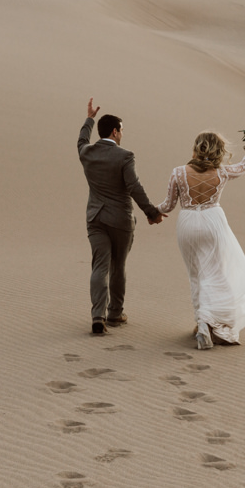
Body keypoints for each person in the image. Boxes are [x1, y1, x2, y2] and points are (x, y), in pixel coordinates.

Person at [155, 131, 245, 350]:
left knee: (195, 274)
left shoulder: (178, 172)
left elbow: (167, 206)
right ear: (218, 150)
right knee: (216, 273)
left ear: (196, 148)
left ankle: (201, 323)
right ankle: (211, 323)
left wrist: (150, 211)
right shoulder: (222, 172)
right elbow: (243, 166)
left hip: (187, 223)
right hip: (213, 223)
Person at [77, 98, 162, 336]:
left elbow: (82, 140)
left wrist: (89, 118)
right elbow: (133, 186)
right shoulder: (125, 156)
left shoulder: (86, 153)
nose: (123, 134)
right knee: (118, 266)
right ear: (115, 132)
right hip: (120, 220)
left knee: (100, 266)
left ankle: (97, 316)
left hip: (95, 218)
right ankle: (115, 313)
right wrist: (151, 212)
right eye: (122, 130)